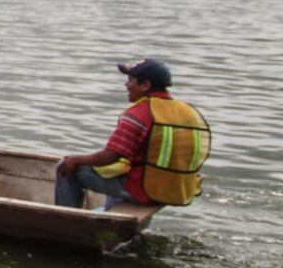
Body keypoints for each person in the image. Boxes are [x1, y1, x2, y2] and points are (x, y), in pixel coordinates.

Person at [55, 58, 211, 210]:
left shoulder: (140, 114)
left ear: (145, 85)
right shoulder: (187, 111)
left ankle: (65, 221)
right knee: (119, 169)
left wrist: (75, 159)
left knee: (65, 166)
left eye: (130, 80)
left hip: (145, 190)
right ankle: (110, 215)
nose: (126, 85)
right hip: (175, 189)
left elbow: (109, 156)